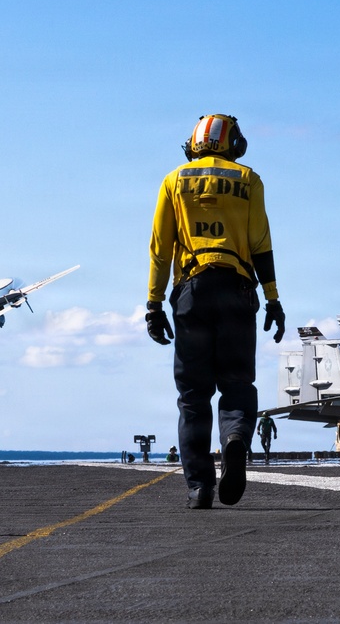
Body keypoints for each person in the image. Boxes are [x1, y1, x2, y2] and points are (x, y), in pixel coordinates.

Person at [146, 113, 285, 509]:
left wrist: (153, 304)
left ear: (194, 143)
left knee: (193, 396)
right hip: (238, 291)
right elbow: (261, 243)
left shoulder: (174, 181)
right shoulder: (248, 180)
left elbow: (160, 247)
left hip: (192, 292)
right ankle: (236, 438)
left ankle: (199, 488)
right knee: (238, 385)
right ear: (233, 144)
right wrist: (273, 298)